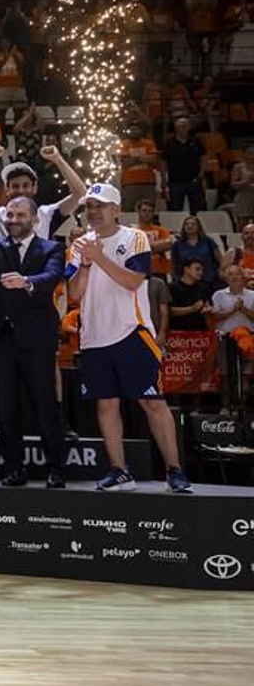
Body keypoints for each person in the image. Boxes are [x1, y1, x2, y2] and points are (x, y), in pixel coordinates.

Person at [67, 182, 192, 493]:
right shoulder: (79, 245)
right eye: (89, 206)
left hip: (131, 332)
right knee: (106, 405)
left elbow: (133, 282)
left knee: (152, 402)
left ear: (115, 209)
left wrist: (99, 257)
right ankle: (119, 470)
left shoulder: (134, 237)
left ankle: (174, 471)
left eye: (100, 206)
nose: (93, 212)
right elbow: (73, 294)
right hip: (94, 337)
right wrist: (84, 264)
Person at [0, 196, 67, 487]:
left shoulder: (52, 247)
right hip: (2, 338)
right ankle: (14, 467)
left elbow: (52, 277)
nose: (12, 220)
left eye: (20, 215)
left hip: (37, 338)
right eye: (9, 215)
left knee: (44, 403)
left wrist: (26, 281)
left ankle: (56, 468)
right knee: (6, 406)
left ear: (35, 220)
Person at [0, 143, 86, 239]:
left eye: (25, 185)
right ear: (7, 190)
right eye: (15, 186)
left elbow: (80, 193)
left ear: (35, 188)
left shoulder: (46, 215)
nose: (21, 190)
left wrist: (58, 159)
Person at [208, 263, 254, 415]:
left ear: (243, 277)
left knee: (246, 373)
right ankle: (226, 407)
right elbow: (215, 316)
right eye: (231, 275)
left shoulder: (252, 295)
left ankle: (243, 406)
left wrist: (244, 309)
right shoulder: (219, 295)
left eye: (237, 274)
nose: (234, 277)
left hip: (247, 339)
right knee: (225, 373)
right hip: (225, 338)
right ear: (226, 279)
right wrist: (233, 310)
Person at [161, 115, 206, 213]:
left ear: (189, 127)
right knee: (175, 210)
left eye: (185, 125)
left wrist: (201, 174)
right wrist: (164, 181)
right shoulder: (168, 143)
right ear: (175, 128)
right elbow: (163, 163)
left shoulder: (196, 141)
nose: (183, 128)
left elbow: (203, 158)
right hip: (175, 181)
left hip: (194, 181)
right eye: (180, 126)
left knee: (198, 209)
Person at [171, 214, 221, 286]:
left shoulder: (208, 241)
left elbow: (220, 259)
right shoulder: (177, 244)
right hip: (185, 282)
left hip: (208, 280)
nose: (190, 226)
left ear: (198, 227)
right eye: (186, 224)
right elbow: (174, 264)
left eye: (193, 224)